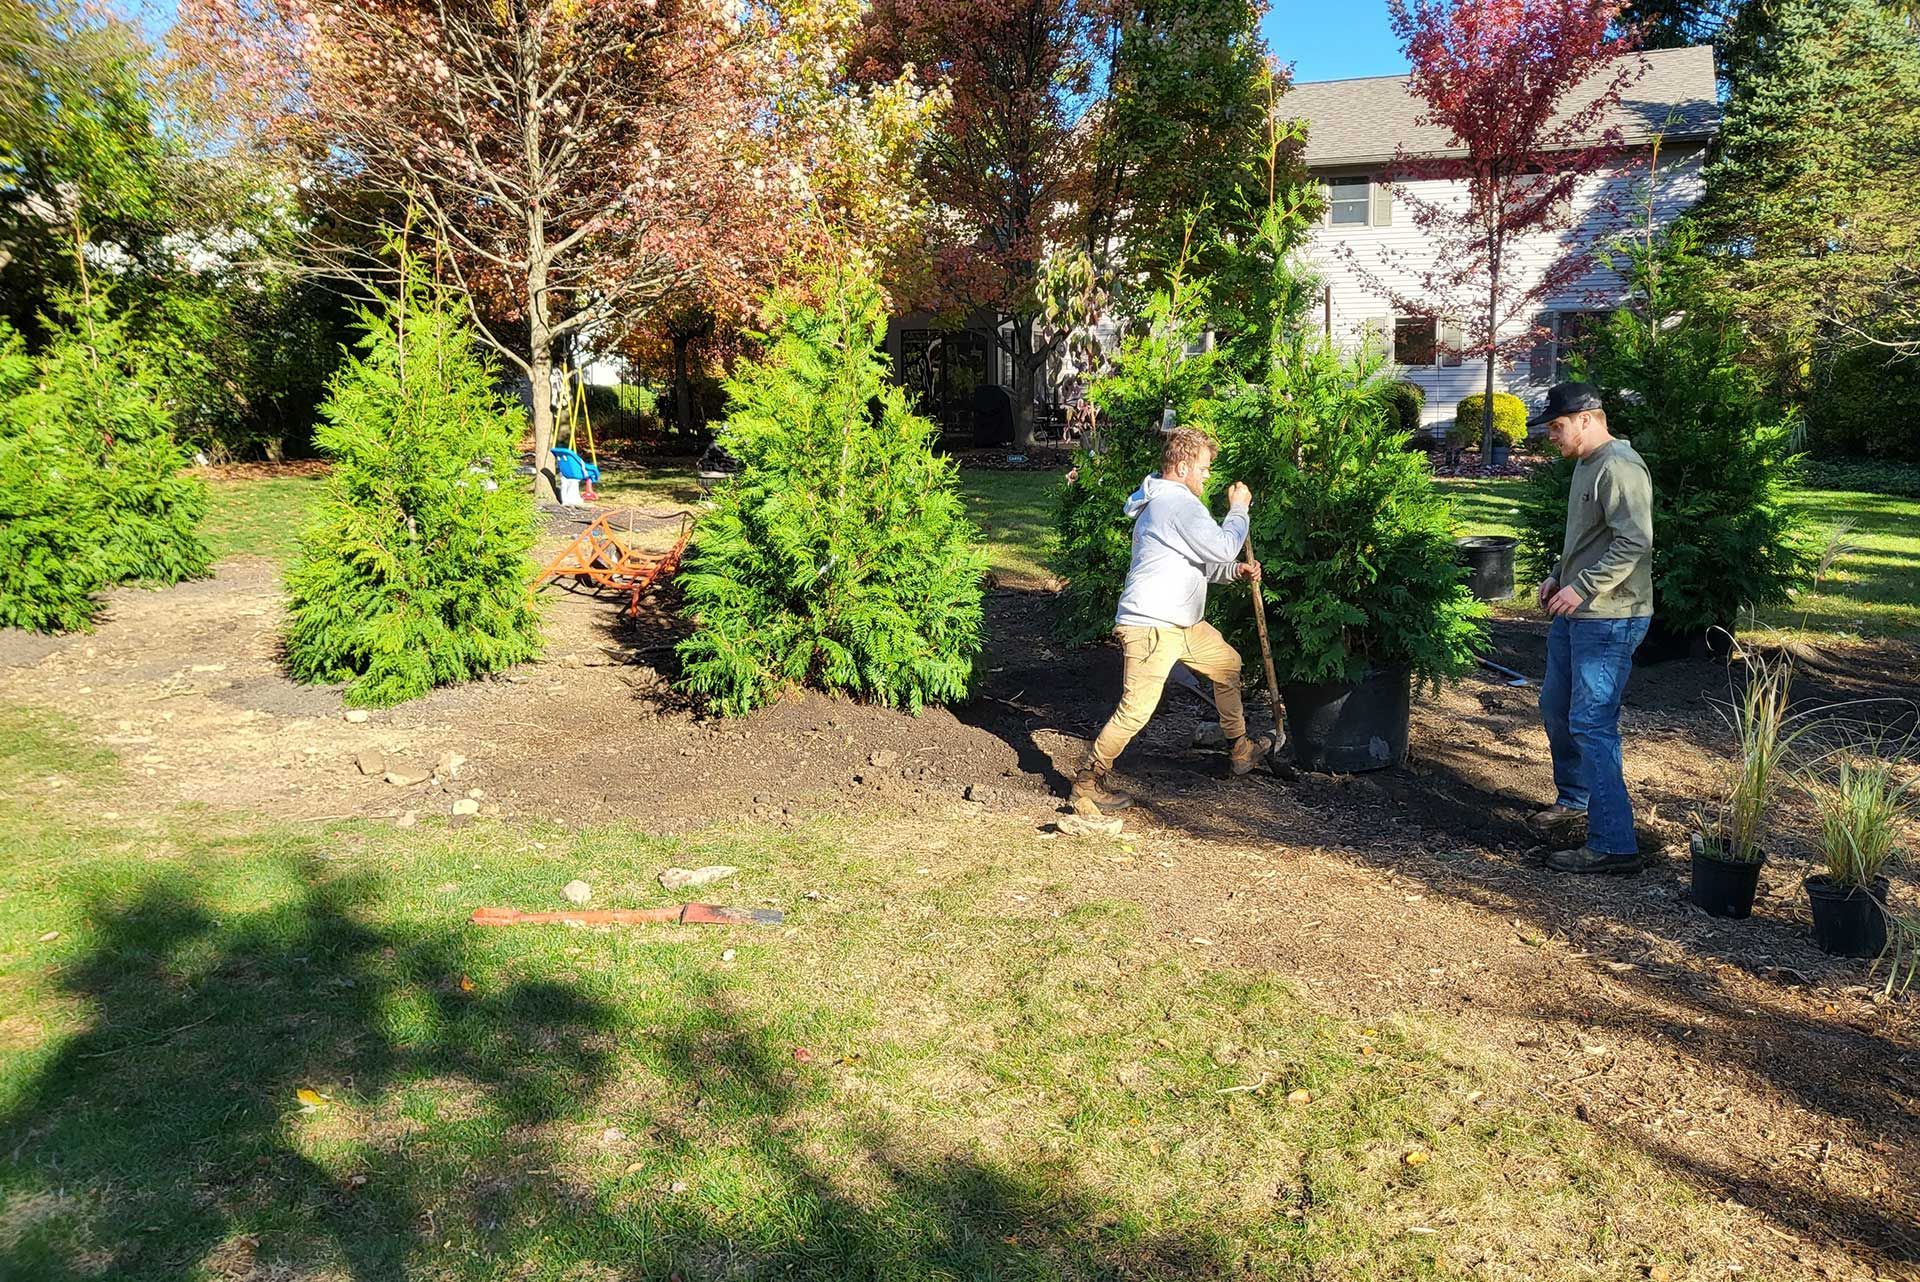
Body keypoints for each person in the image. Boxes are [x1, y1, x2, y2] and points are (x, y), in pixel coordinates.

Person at [1071, 427, 1274, 813]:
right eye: (1204, 467)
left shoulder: (1168, 504)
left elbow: (1201, 562)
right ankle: (1088, 780)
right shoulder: (1176, 504)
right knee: (1136, 710)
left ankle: (1240, 750)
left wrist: (1234, 573)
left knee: (1227, 664)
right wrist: (1240, 509)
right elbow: (1224, 545)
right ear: (1182, 467)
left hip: (1183, 625)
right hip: (1151, 625)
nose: (1208, 475)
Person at [1526, 382, 1655, 873]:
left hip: (1610, 616)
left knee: (1592, 723)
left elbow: (1634, 542)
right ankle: (1576, 798)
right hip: (1577, 611)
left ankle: (1614, 844)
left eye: (1557, 428)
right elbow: (1590, 538)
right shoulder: (1586, 464)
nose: (1551, 437)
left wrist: (1582, 588)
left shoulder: (1619, 466)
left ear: (1587, 419)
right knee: (1555, 705)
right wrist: (1560, 576)